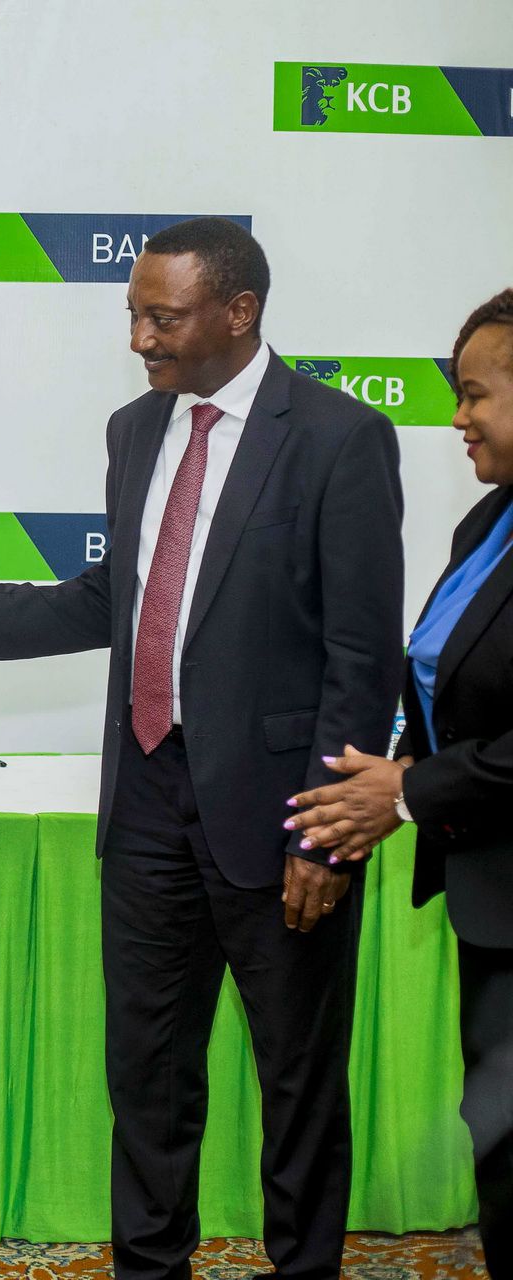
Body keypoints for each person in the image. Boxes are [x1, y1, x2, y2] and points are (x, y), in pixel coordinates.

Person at [0, 217, 405, 1280]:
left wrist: (326, 833)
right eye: (134, 313)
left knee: (297, 1080)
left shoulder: (338, 436)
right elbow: (121, 594)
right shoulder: (136, 429)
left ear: (240, 311)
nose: (139, 337)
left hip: (282, 813)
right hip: (144, 802)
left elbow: (363, 656)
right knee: (146, 1073)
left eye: (162, 317)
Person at [288, 287, 513, 1277]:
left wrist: (410, 792)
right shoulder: (487, 522)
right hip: (489, 894)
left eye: (476, 394)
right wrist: (386, 782)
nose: (457, 417)